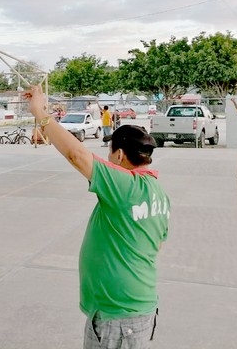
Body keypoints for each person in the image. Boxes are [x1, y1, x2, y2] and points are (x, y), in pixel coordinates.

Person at [24, 85, 170, 349]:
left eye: (109, 152)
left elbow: (76, 154)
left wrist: (39, 112)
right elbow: (157, 243)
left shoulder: (124, 185)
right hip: (135, 307)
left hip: (119, 315)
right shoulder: (157, 191)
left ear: (119, 155)